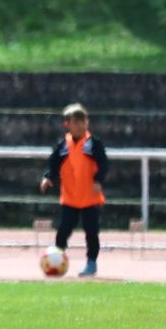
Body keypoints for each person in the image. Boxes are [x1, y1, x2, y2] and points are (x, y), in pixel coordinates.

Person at [39, 102, 108, 278]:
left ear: (87, 122)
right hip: (70, 198)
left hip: (89, 198)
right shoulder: (62, 145)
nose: (79, 125)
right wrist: (47, 177)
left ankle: (91, 263)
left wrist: (98, 180)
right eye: (75, 122)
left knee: (91, 231)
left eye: (82, 121)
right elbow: (53, 164)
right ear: (67, 124)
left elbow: (104, 164)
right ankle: (56, 259)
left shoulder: (94, 144)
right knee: (63, 230)